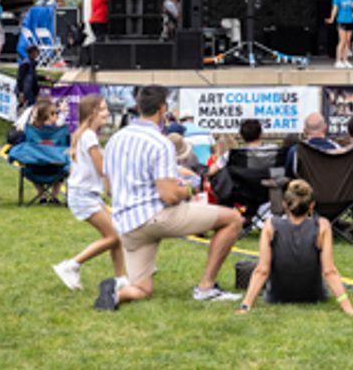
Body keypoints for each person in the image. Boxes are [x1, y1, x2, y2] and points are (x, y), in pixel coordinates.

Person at [96, 85, 243, 310]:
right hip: (156, 217)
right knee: (233, 219)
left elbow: (109, 189)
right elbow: (170, 196)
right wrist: (189, 189)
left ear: (138, 107)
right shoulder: (160, 142)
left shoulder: (115, 140)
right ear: (162, 108)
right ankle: (206, 287)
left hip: (127, 224)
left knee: (142, 289)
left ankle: (116, 295)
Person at [239, 179, 353, 315]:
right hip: (315, 296)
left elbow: (262, 270)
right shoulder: (322, 226)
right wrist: (348, 307)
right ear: (312, 206)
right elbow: (329, 271)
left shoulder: (270, 225)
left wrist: (246, 305)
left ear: (285, 205)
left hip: (276, 296)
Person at [53, 95, 128, 293]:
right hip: (83, 195)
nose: (107, 113)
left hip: (86, 194)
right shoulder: (89, 137)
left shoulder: (85, 135)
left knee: (116, 233)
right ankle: (71, 265)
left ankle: (121, 279)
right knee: (114, 236)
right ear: (92, 112)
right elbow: (102, 168)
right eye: (103, 109)